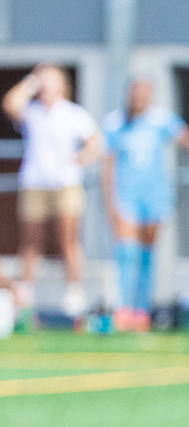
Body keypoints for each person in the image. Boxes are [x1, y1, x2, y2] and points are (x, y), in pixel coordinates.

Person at [101, 74, 189, 330]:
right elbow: (107, 164)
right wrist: (110, 202)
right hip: (126, 196)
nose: (138, 96)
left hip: (154, 197)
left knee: (146, 255)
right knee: (127, 252)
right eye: (135, 91)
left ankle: (141, 310)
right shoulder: (116, 122)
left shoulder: (161, 120)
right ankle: (123, 309)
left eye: (144, 91)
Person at [4, 65, 102, 319]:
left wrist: (79, 159)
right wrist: (31, 83)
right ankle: (25, 295)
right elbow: (10, 103)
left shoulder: (73, 113)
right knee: (30, 241)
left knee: (67, 240)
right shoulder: (32, 112)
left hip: (65, 183)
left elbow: (96, 144)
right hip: (35, 183)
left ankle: (74, 293)